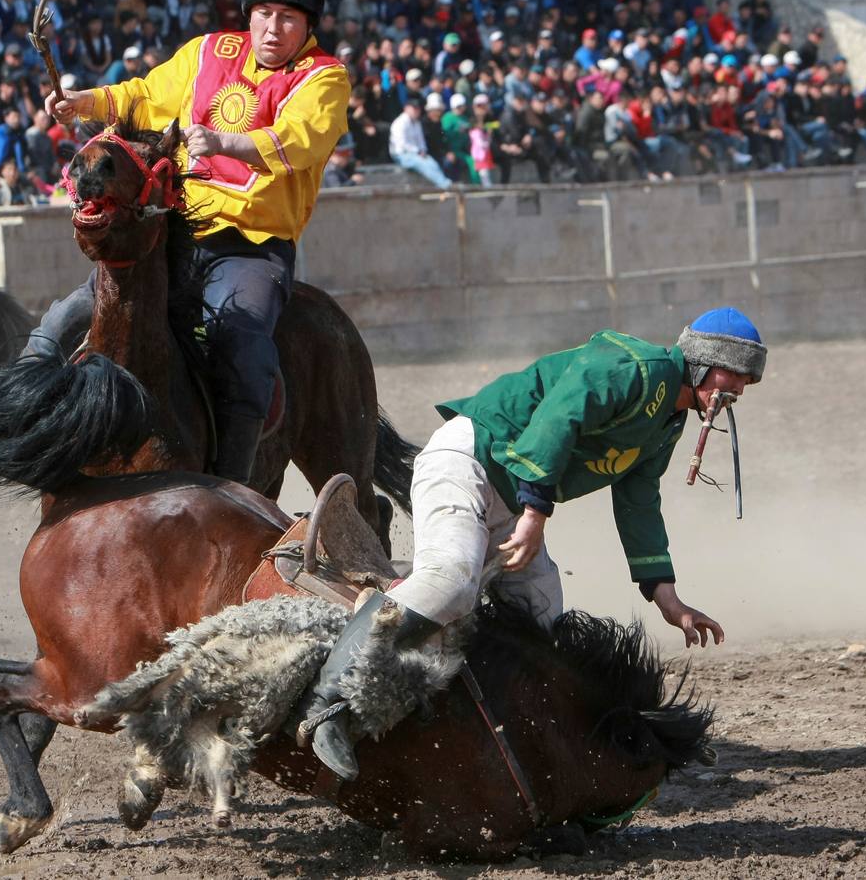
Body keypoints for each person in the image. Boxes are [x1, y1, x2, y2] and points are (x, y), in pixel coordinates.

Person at [303, 309, 767, 781]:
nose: (741, 391)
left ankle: (499, 738)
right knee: (451, 583)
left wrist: (668, 599)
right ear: (705, 362)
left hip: (511, 495)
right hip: (469, 460)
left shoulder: (668, 423)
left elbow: (639, 503)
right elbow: (561, 414)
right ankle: (326, 704)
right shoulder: (634, 366)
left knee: (540, 610)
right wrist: (534, 514)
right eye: (738, 375)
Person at [16, 0, 350, 485]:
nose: (273, 29)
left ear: (307, 26)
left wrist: (225, 141)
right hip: (176, 231)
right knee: (73, 313)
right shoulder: (209, 50)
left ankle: (231, 485)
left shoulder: (324, 76)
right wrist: (85, 102)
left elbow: (300, 140)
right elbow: (146, 96)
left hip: (252, 247)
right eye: (264, 14)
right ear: (249, 14)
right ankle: (7, 420)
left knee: (240, 341)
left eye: (287, 18)